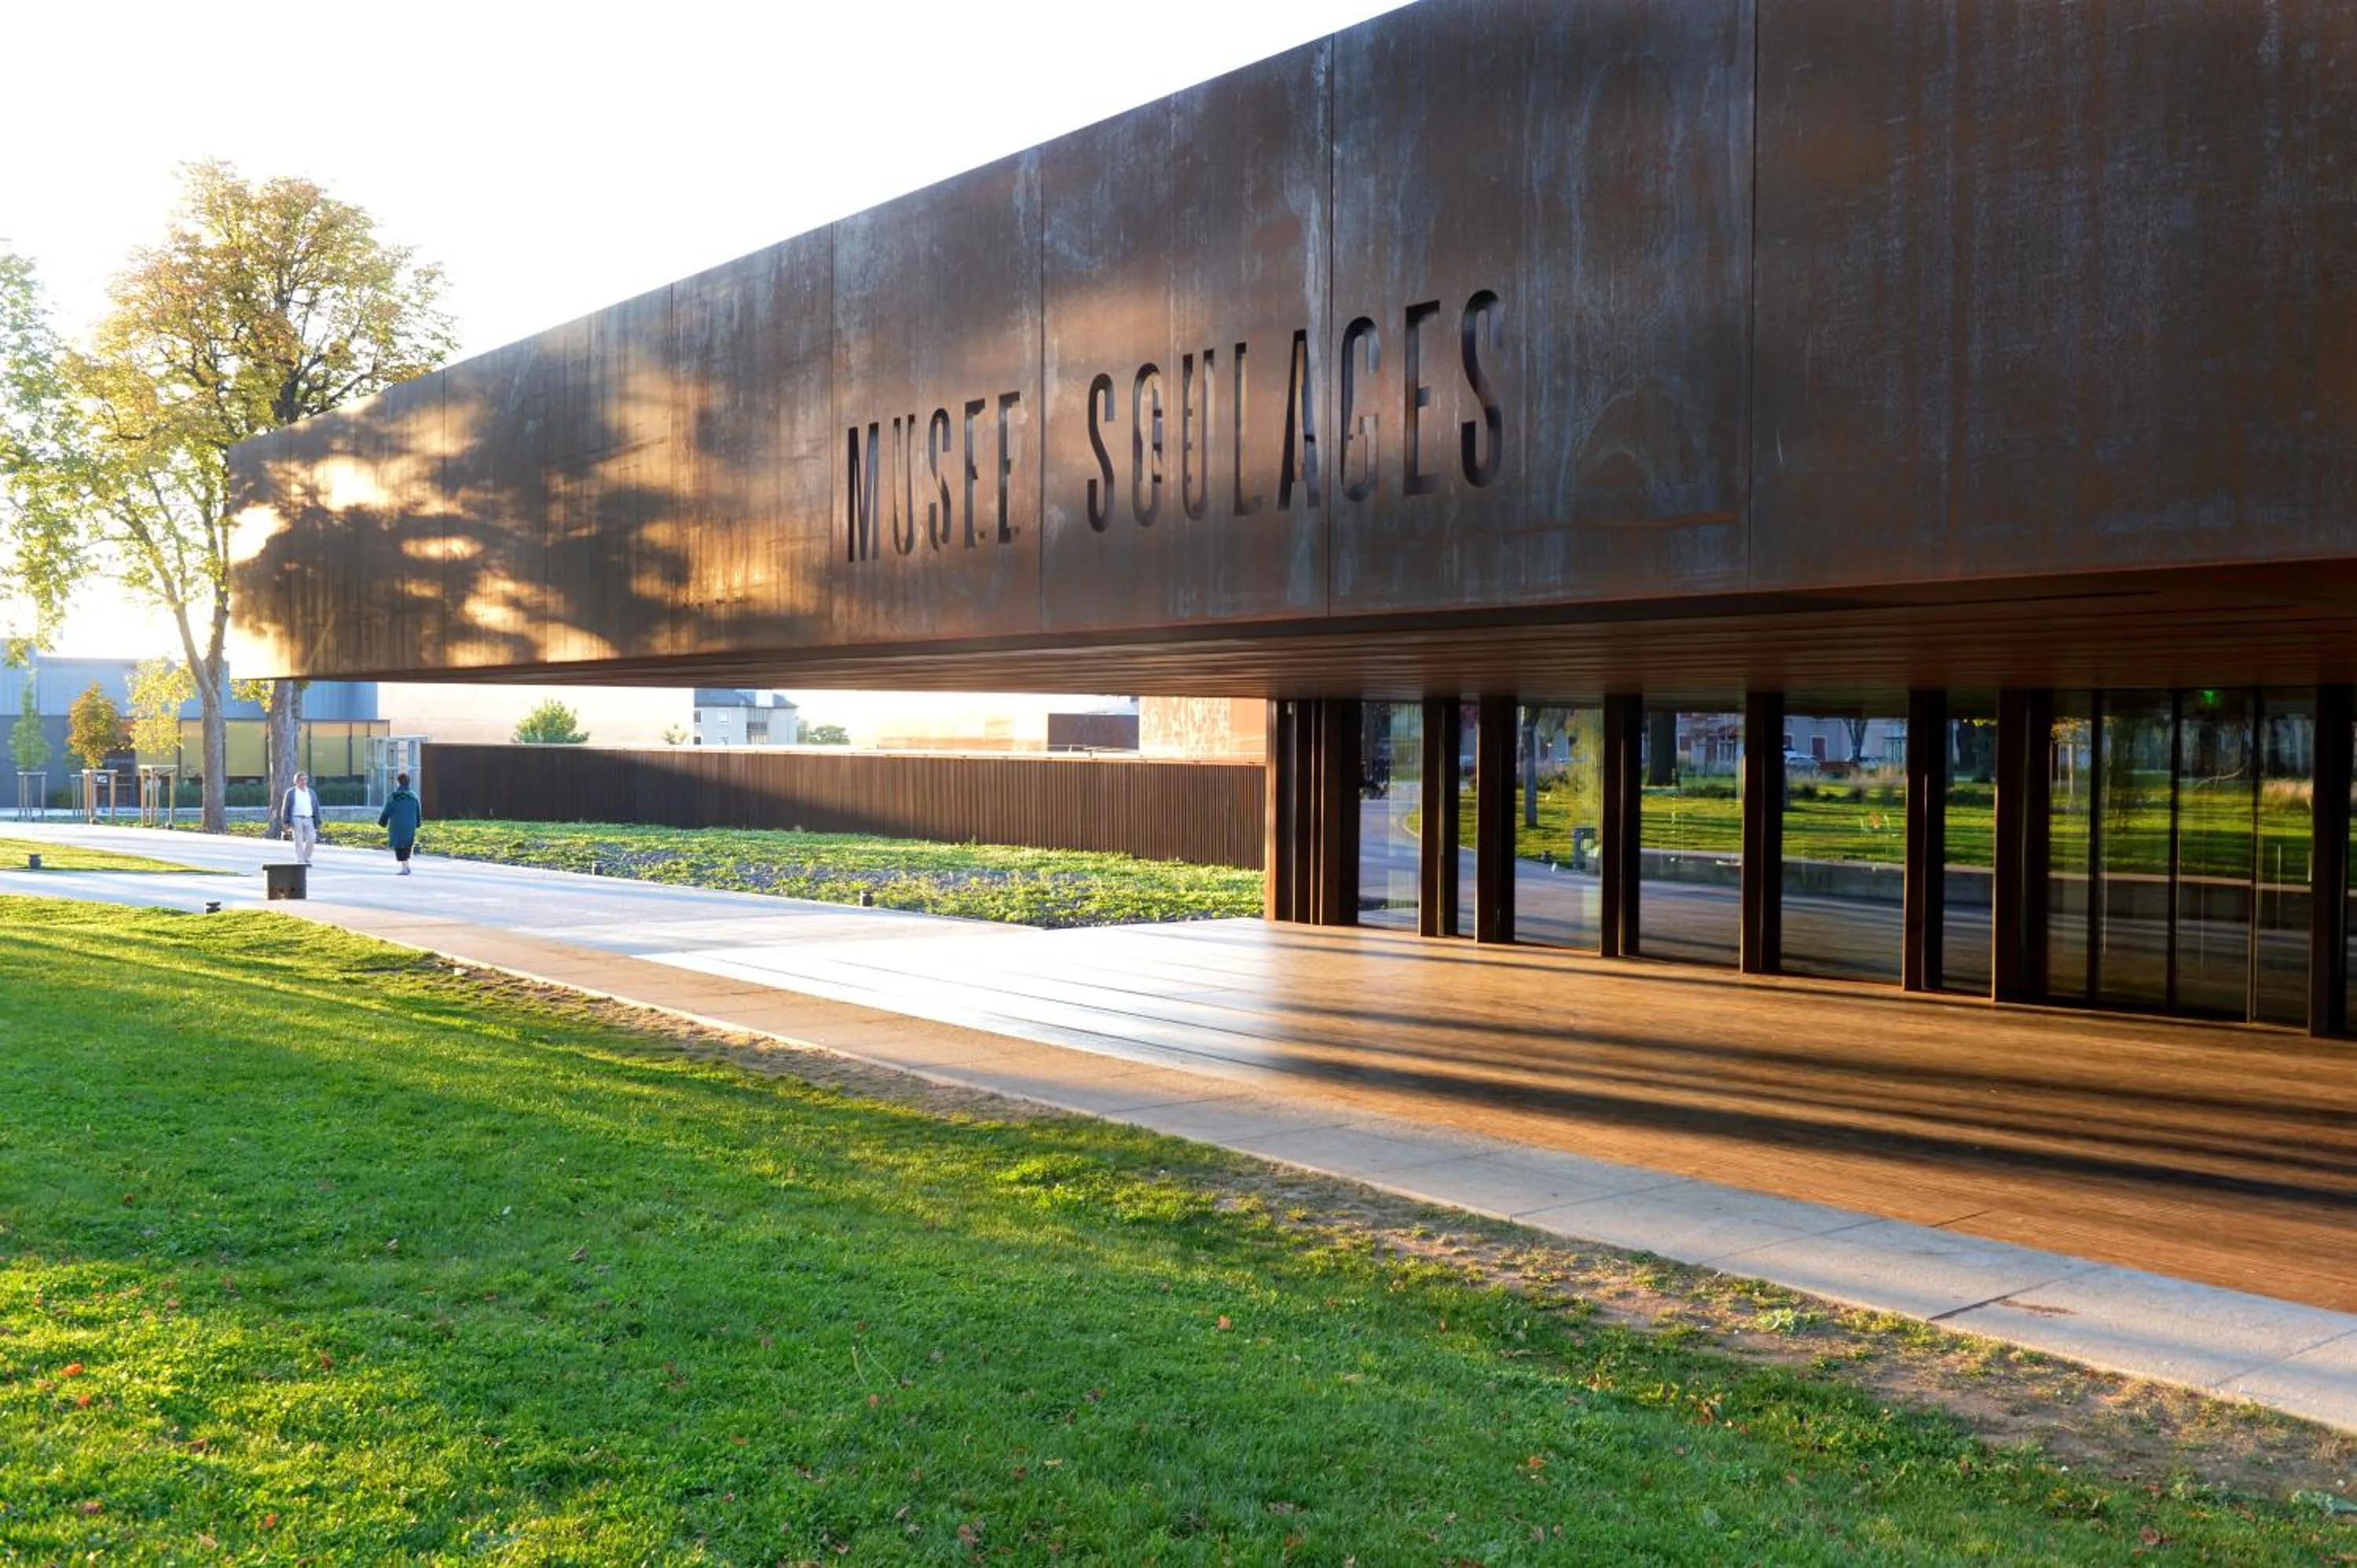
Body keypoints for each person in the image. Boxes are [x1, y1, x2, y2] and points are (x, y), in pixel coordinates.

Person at [377, 771, 423, 875]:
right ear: (409, 783)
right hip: (410, 825)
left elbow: (387, 810)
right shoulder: (413, 796)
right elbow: (418, 811)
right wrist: (418, 824)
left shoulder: (394, 796)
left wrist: (382, 822)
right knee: (407, 844)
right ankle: (406, 866)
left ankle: (405, 867)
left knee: (399, 845)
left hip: (397, 825)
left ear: (398, 783)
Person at [280, 771, 320, 866]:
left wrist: (318, 820)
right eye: (301, 780)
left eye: (305, 779)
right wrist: (286, 821)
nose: (303, 782)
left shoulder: (311, 792)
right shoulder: (291, 793)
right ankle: (299, 859)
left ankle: (306, 857)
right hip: (296, 818)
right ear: (296, 781)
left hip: (309, 818)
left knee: (312, 838)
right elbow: (286, 807)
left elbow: (316, 806)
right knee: (298, 839)